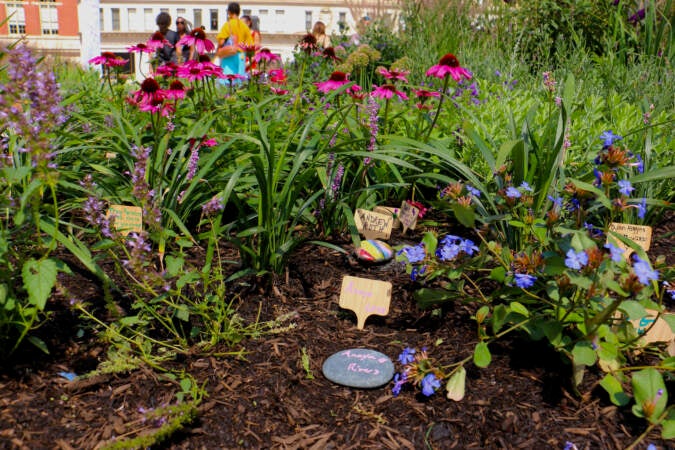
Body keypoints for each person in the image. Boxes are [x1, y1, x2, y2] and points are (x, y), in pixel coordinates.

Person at [216, 2, 253, 79]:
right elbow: (250, 44)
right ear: (239, 12)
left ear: (229, 12)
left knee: (227, 79)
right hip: (241, 56)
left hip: (229, 54)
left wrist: (219, 50)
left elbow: (221, 41)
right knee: (239, 79)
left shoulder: (227, 25)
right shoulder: (244, 26)